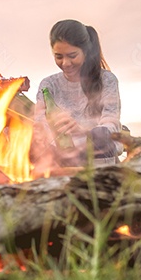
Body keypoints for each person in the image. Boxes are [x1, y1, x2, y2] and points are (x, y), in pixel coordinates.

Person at [33, 19, 121, 168]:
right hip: (62, 159)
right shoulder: (48, 85)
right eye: (59, 56)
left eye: (72, 55)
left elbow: (111, 124)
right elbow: (40, 122)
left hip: (99, 158)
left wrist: (83, 131)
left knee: (100, 135)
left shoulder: (107, 80)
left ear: (85, 52)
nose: (65, 63)